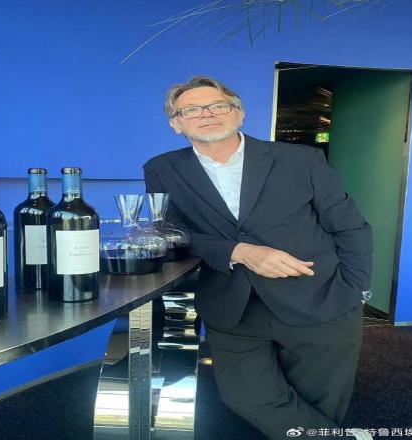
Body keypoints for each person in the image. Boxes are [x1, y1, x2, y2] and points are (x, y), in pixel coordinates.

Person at [143, 76, 374, 440]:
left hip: (321, 297)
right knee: (245, 396)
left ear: (239, 113)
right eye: (191, 110)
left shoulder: (301, 159)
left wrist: (355, 290)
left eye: (218, 105)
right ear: (176, 123)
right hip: (231, 306)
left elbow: (350, 226)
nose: (206, 114)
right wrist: (239, 252)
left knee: (320, 400)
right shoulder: (161, 168)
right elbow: (172, 233)